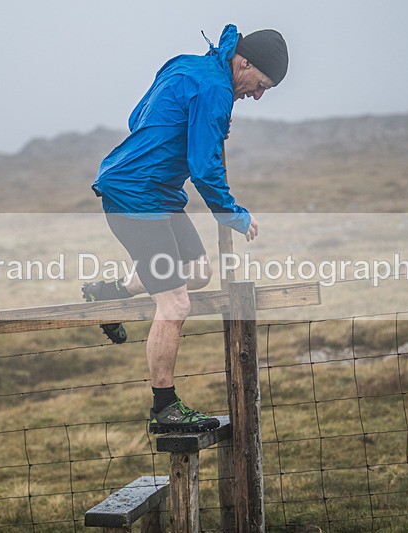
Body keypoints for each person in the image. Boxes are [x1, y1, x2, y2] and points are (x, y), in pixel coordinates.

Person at [83, 24, 288, 433]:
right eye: (260, 83)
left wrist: (197, 124)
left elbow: (136, 117)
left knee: (197, 272)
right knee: (175, 305)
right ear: (244, 62)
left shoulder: (185, 66)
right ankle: (165, 407)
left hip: (158, 194)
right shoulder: (215, 91)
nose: (258, 94)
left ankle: (109, 294)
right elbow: (205, 168)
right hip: (136, 197)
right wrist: (233, 213)